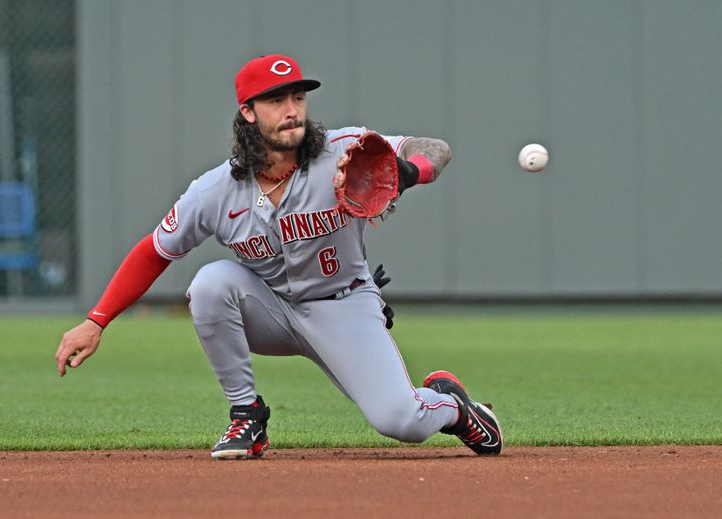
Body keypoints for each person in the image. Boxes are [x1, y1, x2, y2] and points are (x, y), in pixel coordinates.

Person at [55, 54, 502, 459]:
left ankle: (455, 407)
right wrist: (96, 321)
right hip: (269, 310)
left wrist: (408, 170)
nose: (292, 110)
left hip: (344, 307)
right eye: (275, 100)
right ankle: (246, 417)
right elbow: (154, 251)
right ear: (248, 113)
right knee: (211, 284)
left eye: (297, 97)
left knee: (401, 421)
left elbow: (435, 149)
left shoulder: (345, 150)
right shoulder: (214, 192)